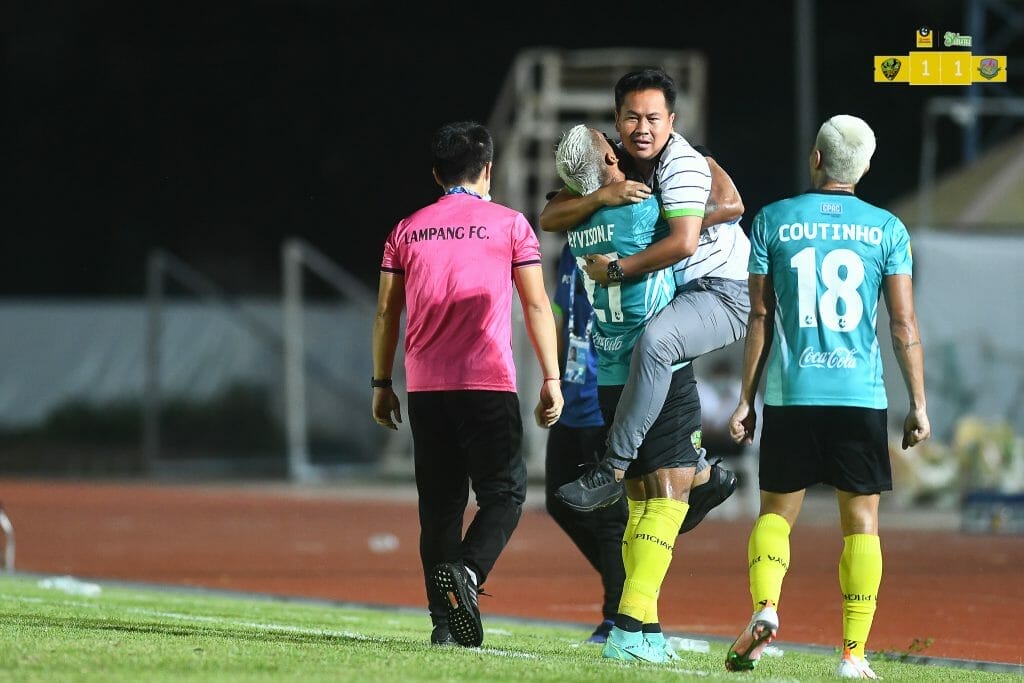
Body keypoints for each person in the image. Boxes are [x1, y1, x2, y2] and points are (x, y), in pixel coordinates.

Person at [724, 114, 930, 679]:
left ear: (816, 159)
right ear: (865, 167)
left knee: (775, 514)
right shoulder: (888, 229)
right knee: (862, 524)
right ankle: (853, 654)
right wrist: (918, 403)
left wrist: (745, 400)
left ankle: (766, 608)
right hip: (859, 396)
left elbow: (759, 316)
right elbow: (903, 325)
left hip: (793, 394)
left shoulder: (772, 220)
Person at [371, 121, 564, 649]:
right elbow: (536, 304)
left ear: (437, 174)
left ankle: (443, 623)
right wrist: (551, 377)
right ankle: (470, 574)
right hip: (486, 383)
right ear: (488, 170)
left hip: (426, 389)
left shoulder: (406, 229)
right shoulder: (511, 225)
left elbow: (387, 312)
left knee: (440, 507)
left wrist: (381, 382)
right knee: (506, 493)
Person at [543, 68, 747, 528]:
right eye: (632, 118)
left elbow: (701, 228)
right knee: (647, 345)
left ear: (671, 121)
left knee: (657, 342)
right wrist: (603, 197)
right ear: (617, 121)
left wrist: (619, 265)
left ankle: (611, 468)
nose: (642, 128)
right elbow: (550, 215)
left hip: (722, 289)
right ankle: (702, 474)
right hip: (681, 292)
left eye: (653, 118)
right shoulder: (619, 162)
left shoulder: (682, 162)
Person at [555, 123, 703, 664]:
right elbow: (690, 225)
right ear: (606, 163)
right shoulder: (639, 210)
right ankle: (627, 629)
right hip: (657, 365)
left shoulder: (577, 225)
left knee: (641, 503)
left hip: (612, 373)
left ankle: (648, 632)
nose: (619, 150)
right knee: (671, 498)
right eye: (610, 148)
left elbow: (555, 212)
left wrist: (595, 192)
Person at [545, 240, 626, 645]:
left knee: (609, 515)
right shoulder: (567, 249)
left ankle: (617, 616)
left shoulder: (618, 239)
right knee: (558, 499)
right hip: (571, 395)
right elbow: (560, 314)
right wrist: (552, 379)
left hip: (603, 397)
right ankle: (630, 584)